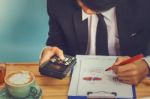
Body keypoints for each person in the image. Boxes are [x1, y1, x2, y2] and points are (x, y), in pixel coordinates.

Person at [39, 0, 150, 85]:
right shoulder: (58, 3)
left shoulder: (144, 4)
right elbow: (57, 41)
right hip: (76, 80)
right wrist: (51, 51)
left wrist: (146, 65)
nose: (86, 10)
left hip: (132, 81)